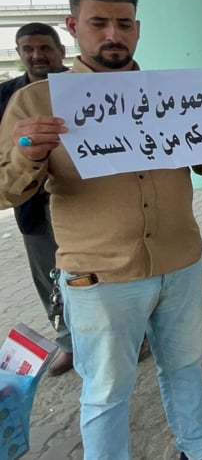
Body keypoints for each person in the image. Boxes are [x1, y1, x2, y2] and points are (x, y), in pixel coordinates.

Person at [0, 0, 202, 460]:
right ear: (73, 27)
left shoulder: (173, 95)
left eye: (124, 23)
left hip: (180, 261)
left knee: (185, 366)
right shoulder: (36, 103)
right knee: (107, 389)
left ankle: (197, 449)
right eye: (98, 23)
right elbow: (6, 190)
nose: (113, 33)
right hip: (101, 274)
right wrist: (28, 151)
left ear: (137, 29)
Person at [0, 23, 72, 375]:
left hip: (82, 204)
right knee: (49, 277)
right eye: (27, 48)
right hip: (35, 208)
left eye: (45, 47)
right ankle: (68, 341)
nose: (36, 55)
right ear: (19, 53)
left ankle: (138, 337)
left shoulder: (86, 90)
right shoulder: (6, 97)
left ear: (61, 50)